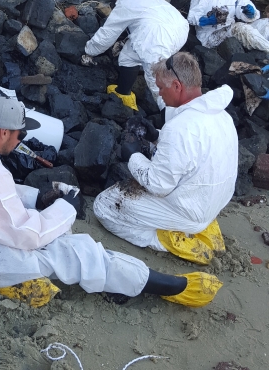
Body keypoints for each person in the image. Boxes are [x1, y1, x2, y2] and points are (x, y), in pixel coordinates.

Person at [0, 95, 222, 306]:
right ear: (3, 132)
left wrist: (38, 199)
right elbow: (28, 236)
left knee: (37, 218)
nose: (21, 141)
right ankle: (162, 285)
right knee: (64, 253)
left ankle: (34, 273)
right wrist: (63, 209)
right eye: (19, 135)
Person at [93, 53, 237, 260]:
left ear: (177, 86)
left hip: (191, 211)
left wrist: (132, 155)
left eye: (161, 87)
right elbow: (190, 153)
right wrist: (155, 137)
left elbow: (158, 185)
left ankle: (170, 241)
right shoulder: (220, 114)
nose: (160, 94)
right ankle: (189, 225)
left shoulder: (180, 128)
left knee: (104, 206)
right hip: (212, 201)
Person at [82, 0, 189, 111]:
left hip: (156, 40)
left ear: (117, 1)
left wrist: (89, 51)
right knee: (128, 56)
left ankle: (173, 120)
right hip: (180, 31)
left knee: (158, 85)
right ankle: (123, 93)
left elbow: (107, 35)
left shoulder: (124, 4)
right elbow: (145, 21)